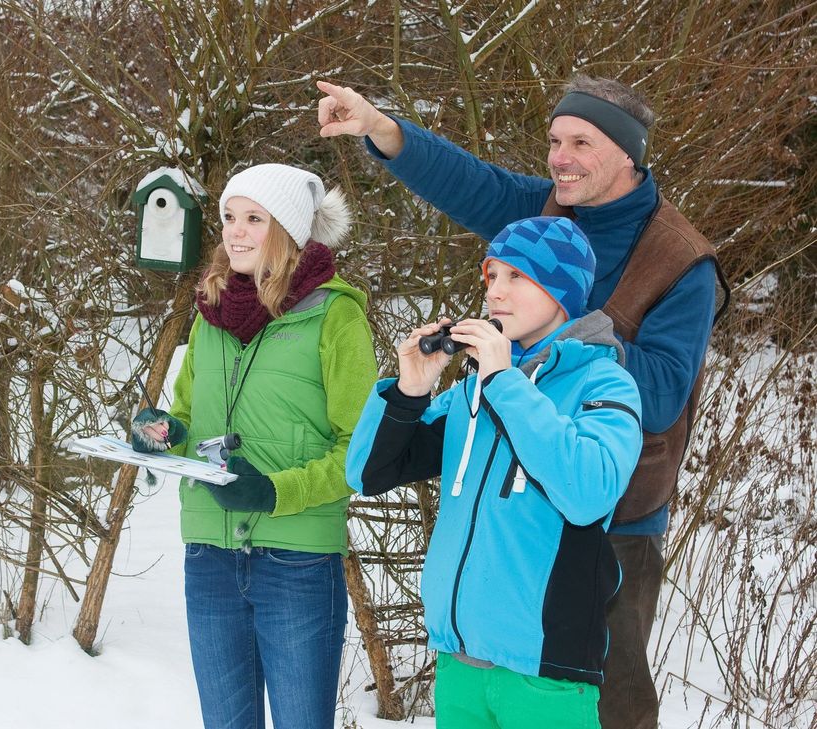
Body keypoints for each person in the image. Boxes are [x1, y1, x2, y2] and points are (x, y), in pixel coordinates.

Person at [318, 75, 729, 728]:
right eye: (554, 140)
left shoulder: (682, 262)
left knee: (610, 701)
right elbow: (467, 181)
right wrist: (381, 128)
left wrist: (554, 346)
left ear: (628, 154)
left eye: (579, 142)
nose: (558, 157)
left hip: (615, 520)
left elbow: (662, 393)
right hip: (506, 534)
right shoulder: (544, 212)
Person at [346, 215, 643, 728]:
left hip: (545, 675)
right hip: (459, 665)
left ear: (561, 290)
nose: (496, 293)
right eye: (491, 277)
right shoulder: (472, 393)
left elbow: (589, 491)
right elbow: (369, 474)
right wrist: (410, 389)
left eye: (517, 277)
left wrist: (505, 381)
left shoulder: (605, 384)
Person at [130, 163, 378, 729]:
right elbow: (189, 416)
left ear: (288, 230)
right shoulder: (209, 314)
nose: (235, 232)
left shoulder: (334, 315)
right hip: (209, 553)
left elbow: (359, 450)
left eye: (253, 220)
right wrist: (165, 431)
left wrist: (274, 493)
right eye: (229, 218)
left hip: (296, 559)